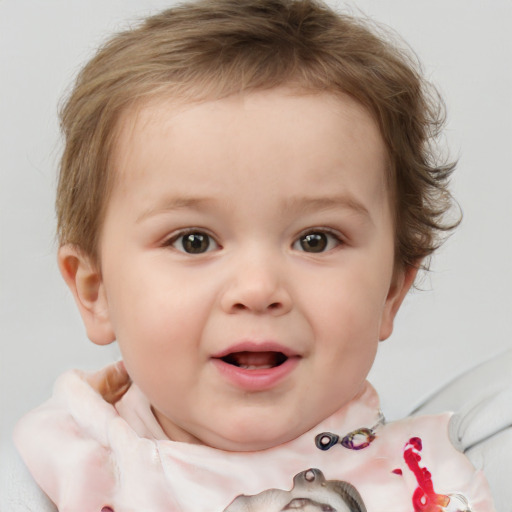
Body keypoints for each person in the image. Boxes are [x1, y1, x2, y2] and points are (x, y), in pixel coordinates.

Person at [13, 0, 496, 510]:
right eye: (193, 241)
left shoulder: (430, 483)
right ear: (97, 291)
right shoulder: (57, 472)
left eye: (316, 239)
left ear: (391, 291)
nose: (258, 289)